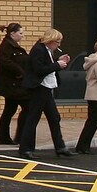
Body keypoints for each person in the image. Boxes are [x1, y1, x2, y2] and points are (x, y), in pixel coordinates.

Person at [16, 27, 77, 159]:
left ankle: (60, 147)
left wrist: (58, 61)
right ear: (50, 40)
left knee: (54, 117)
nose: (58, 45)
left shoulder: (46, 50)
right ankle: (26, 149)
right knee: (33, 118)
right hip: (39, 88)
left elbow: (47, 65)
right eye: (57, 42)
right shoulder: (38, 49)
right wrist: (57, 65)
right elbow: (39, 69)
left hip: (46, 88)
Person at [0, 23, 28, 145]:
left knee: (9, 110)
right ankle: (18, 136)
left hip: (13, 84)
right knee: (27, 107)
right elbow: (5, 62)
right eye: (20, 33)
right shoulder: (7, 47)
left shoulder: (12, 46)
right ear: (13, 34)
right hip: (12, 85)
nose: (22, 36)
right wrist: (20, 72)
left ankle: (5, 137)